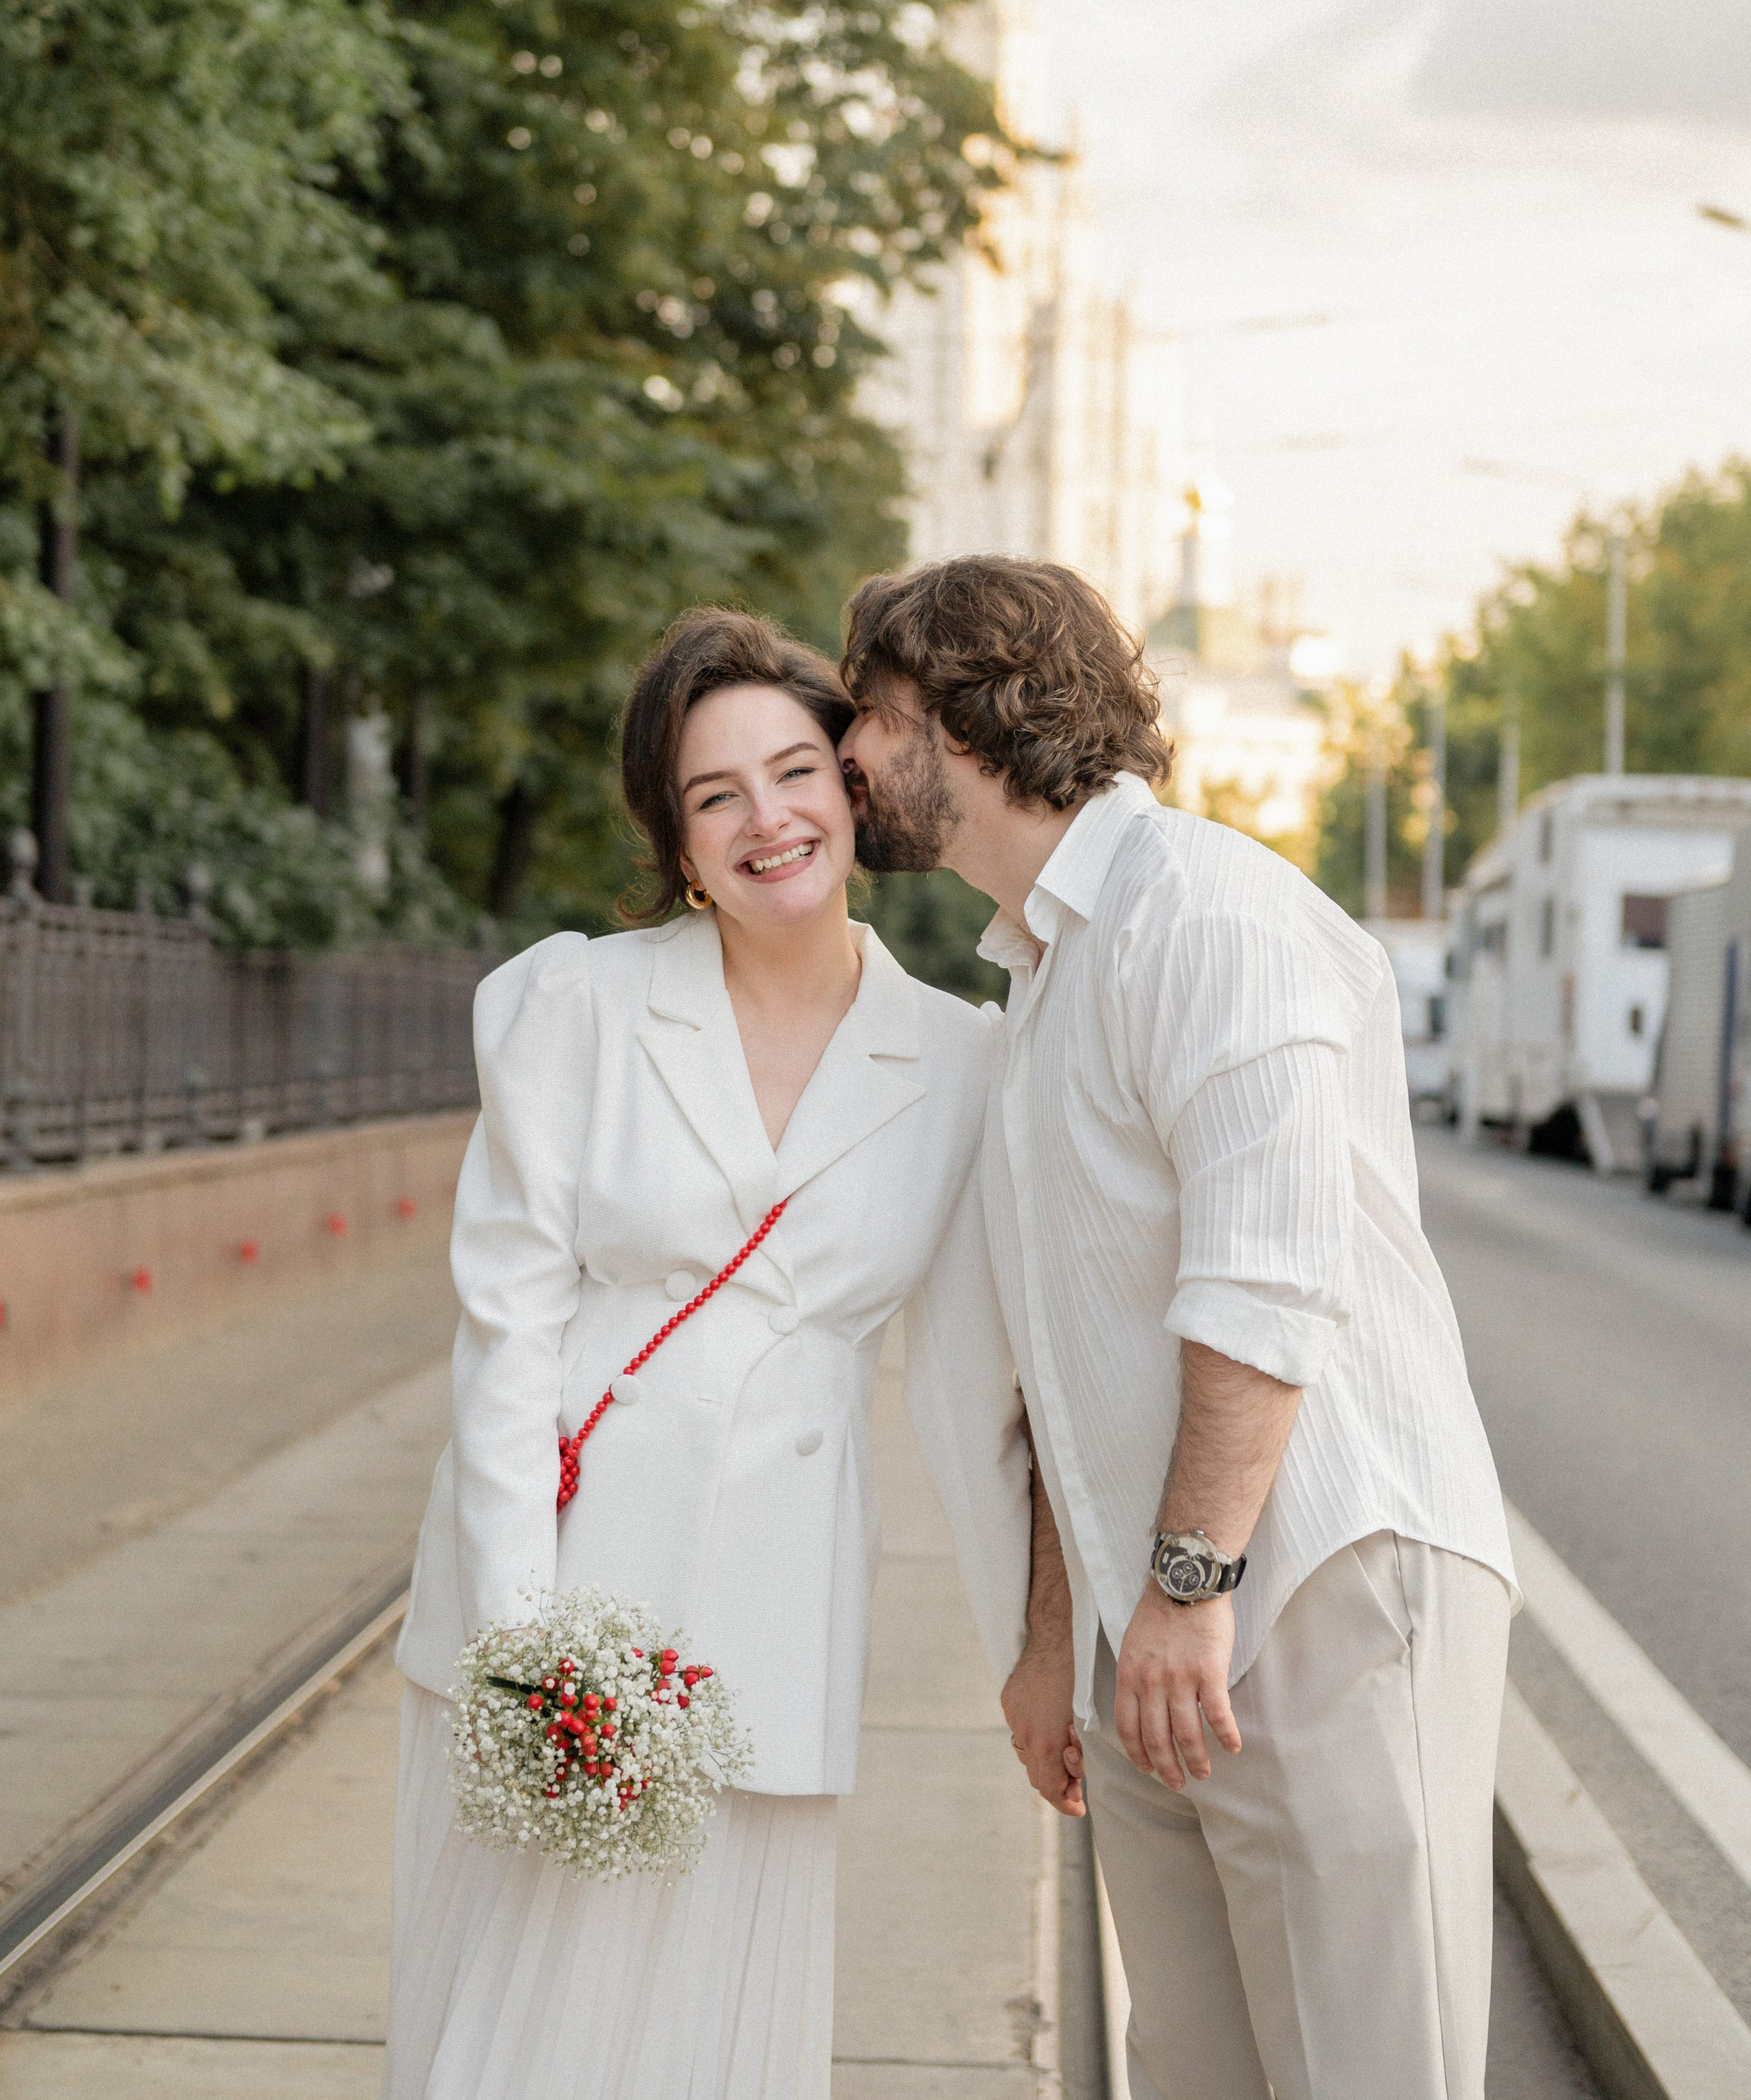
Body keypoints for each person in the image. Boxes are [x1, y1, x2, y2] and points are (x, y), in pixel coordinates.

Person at [838, 554, 1519, 2100]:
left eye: (868, 712)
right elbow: (1070, 1359)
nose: (847, 752)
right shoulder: (1042, 970)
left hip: (1318, 1586)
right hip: (1156, 1625)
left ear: (964, 713)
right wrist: (1053, 1647)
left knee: (1368, 2073)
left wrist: (1187, 1590)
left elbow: (1263, 1281)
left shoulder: (1206, 914)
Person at [385, 607, 1029, 2100]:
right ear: (677, 843)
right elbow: (506, 1329)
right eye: (714, 795)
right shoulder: (578, 1005)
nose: (767, 820)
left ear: (850, 789)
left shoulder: (962, 1060)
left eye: (794, 772)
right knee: (518, 2049)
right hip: (557, 1593)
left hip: (772, 1612)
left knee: (710, 2051)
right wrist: (527, 1657)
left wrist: (1035, 1654)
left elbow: (976, 1386)